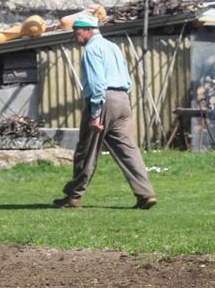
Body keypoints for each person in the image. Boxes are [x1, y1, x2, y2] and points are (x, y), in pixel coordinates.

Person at [53, 13, 157, 209]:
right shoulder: (112, 47)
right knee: (128, 151)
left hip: (104, 101)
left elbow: (97, 83)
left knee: (87, 150)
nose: (75, 36)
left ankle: (73, 196)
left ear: (86, 31)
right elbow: (126, 77)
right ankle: (146, 193)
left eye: (76, 31)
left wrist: (95, 114)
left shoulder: (92, 50)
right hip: (123, 100)